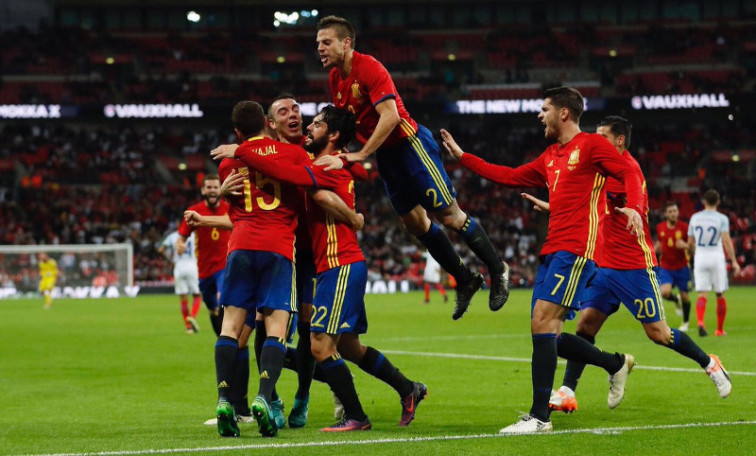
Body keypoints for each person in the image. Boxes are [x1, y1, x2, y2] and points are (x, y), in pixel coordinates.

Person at [441, 87, 644, 434]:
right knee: (548, 331)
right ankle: (615, 364)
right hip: (552, 249)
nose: (540, 114)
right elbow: (507, 175)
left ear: (564, 113)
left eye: (545, 108)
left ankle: (539, 417)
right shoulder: (550, 155)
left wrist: (635, 208)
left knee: (542, 323)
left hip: (577, 248)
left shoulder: (594, 146)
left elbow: (630, 173)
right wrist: (464, 158)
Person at [213, 105, 428, 432]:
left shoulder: (323, 166)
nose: (308, 128)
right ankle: (407, 388)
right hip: (328, 264)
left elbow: (310, 189)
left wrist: (243, 151)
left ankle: (355, 414)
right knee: (349, 347)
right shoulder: (322, 161)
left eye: (315, 124)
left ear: (333, 135)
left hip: (338, 263)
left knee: (317, 345)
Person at [516, 116, 732, 414]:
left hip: (634, 267)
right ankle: (567, 391)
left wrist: (633, 208)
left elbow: (635, 202)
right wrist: (554, 205)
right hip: (603, 265)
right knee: (585, 325)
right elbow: (591, 202)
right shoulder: (599, 169)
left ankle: (710, 363)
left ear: (619, 140)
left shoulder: (628, 169)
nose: (595, 139)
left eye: (602, 136)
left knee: (658, 333)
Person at [314, 15, 508, 320]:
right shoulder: (335, 78)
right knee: (415, 224)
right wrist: (337, 151)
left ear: (346, 43)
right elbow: (348, 123)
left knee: (449, 216)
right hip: (388, 156)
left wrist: (362, 154)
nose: (320, 49)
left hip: (411, 145)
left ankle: (498, 270)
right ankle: (466, 279)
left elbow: (390, 116)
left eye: (326, 42)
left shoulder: (370, 68)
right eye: (318, 44)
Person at [211, 101, 313, 438]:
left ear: (238, 132)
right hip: (278, 247)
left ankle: (225, 400)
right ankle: (264, 398)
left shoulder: (229, 162)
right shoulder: (292, 155)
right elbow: (302, 190)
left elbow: (236, 201)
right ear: (267, 125)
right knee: (277, 329)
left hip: (240, 245)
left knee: (230, 327)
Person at [178, 175, 230, 336]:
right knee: (213, 309)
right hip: (205, 270)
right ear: (203, 190)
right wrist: (179, 244)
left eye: (215, 187)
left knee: (223, 300)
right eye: (209, 187)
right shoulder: (195, 211)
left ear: (221, 189)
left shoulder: (230, 209)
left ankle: (229, 340)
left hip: (225, 265)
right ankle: (222, 340)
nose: (212, 190)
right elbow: (182, 237)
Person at [688, 189, 742, 337]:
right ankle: (719, 330)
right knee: (720, 293)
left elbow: (690, 242)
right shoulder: (722, 218)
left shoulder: (694, 218)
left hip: (701, 256)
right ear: (718, 202)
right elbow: (726, 240)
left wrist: (694, 254)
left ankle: (700, 322)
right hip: (716, 256)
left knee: (702, 294)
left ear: (704, 202)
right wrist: (734, 261)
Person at [655, 201, 692, 330]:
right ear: (666, 214)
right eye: (670, 212)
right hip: (666, 266)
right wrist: (656, 249)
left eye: (674, 211)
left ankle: (686, 322)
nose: (673, 214)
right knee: (664, 292)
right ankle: (676, 300)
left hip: (682, 267)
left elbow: (693, 248)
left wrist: (686, 246)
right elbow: (660, 243)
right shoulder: (660, 227)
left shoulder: (684, 228)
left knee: (685, 297)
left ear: (678, 212)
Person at [159, 230, 201, 333]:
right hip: (192, 266)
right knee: (197, 295)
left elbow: (161, 250)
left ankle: (188, 327)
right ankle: (192, 316)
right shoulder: (194, 235)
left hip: (178, 267)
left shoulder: (173, 236)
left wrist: (170, 261)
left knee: (183, 298)